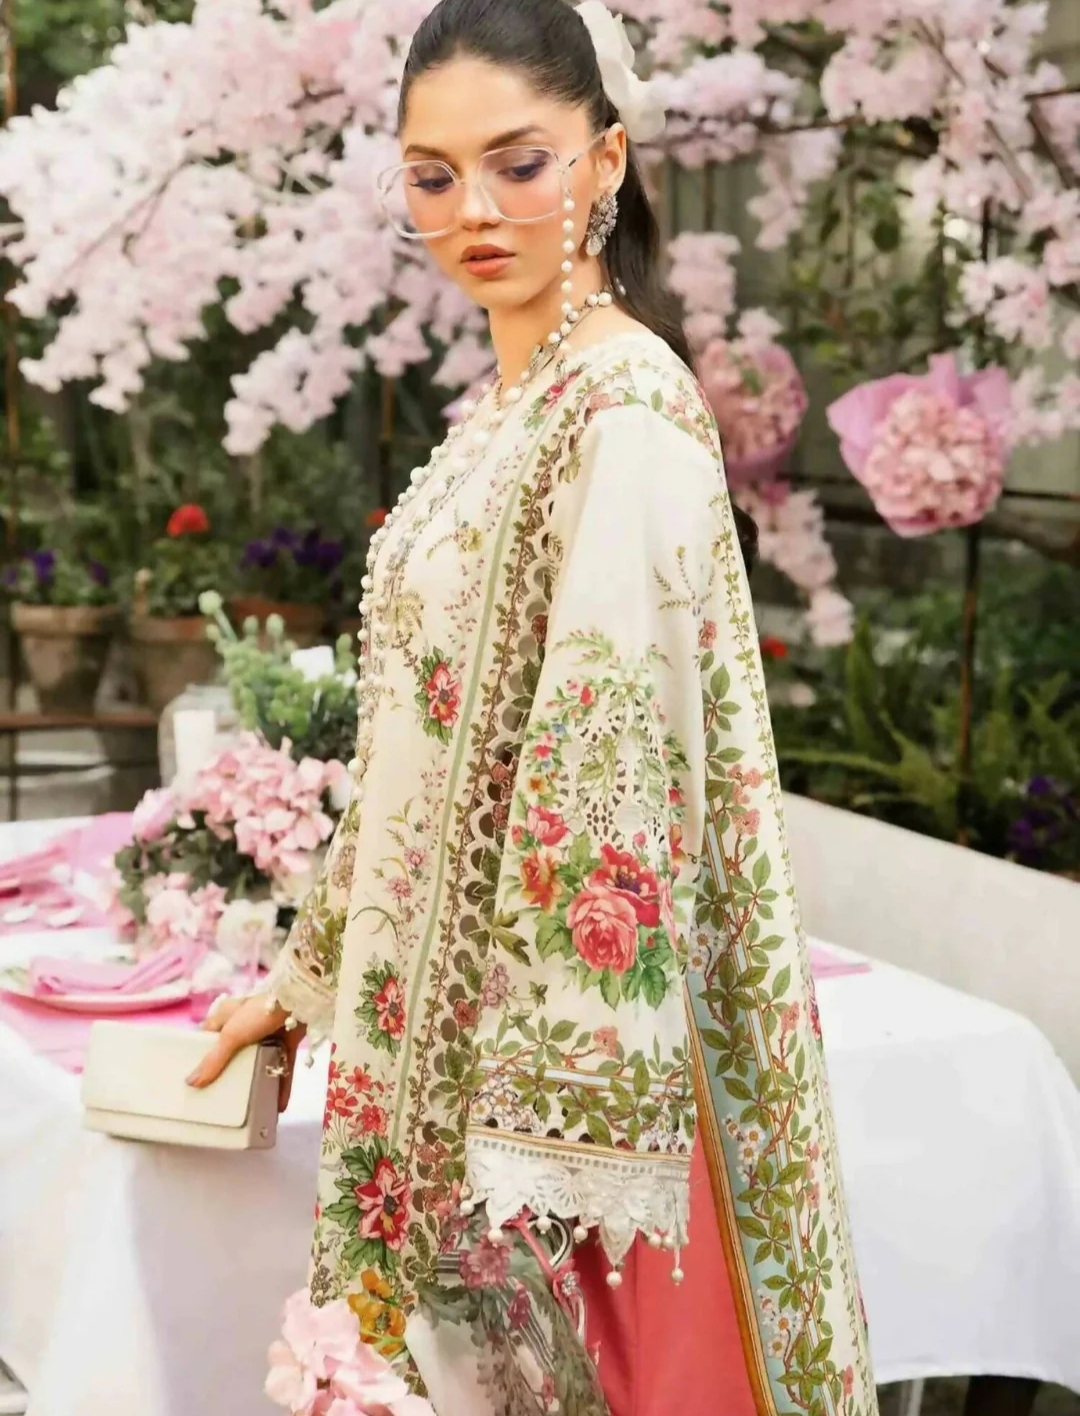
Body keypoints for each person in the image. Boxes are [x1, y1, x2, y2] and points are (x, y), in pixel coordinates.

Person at [189, 2, 876, 1413]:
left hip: (546, 1111)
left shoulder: (621, 413)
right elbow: (422, 751)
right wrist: (308, 983)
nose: (475, 212)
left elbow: (607, 772)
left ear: (606, 160)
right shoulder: (513, 411)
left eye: (519, 163)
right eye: (433, 176)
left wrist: (540, 1154)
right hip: (436, 1056)